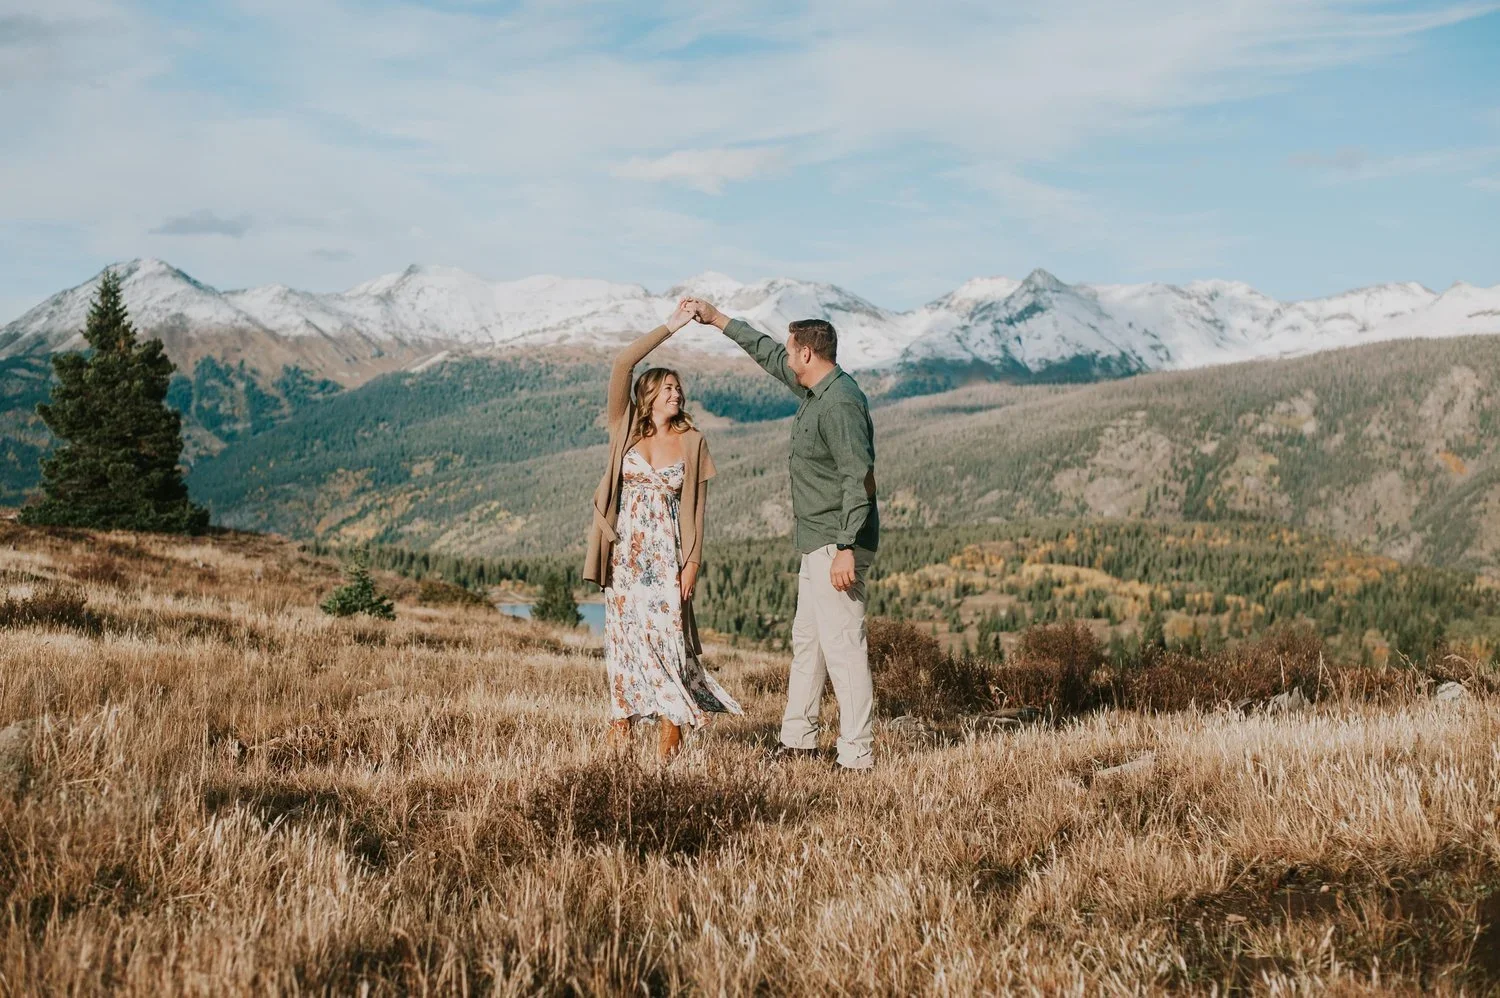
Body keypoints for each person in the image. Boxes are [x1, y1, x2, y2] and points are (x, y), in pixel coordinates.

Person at [682, 297, 880, 771]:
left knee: (844, 648)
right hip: (817, 541)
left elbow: (859, 478)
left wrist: (847, 548)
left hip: (838, 541)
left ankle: (857, 755)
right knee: (808, 643)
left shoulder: (840, 403)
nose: (787, 359)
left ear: (807, 354)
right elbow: (769, 355)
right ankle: (799, 740)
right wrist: (717, 319)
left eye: (792, 352)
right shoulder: (816, 390)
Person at [582, 301, 742, 762]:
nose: (678, 393)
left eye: (679, 388)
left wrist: (692, 564)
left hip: (666, 554)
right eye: (669, 387)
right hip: (624, 555)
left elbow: (697, 511)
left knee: (667, 637)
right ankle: (621, 720)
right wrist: (671, 326)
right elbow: (622, 363)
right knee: (625, 638)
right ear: (649, 395)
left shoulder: (693, 442)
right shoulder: (625, 429)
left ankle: (672, 723)